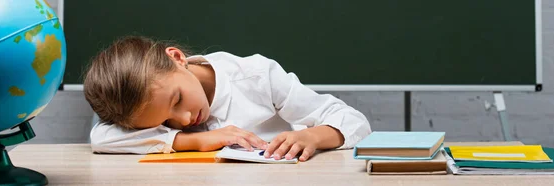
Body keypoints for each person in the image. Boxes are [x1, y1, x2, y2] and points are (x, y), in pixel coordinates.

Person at [84, 36, 371, 162]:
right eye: (166, 122)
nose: (183, 120)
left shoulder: (256, 76)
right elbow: (101, 138)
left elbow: (355, 122)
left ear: (177, 58)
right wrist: (194, 140)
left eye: (177, 101)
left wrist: (315, 136)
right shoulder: (169, 114)